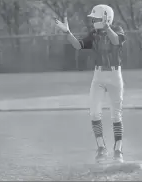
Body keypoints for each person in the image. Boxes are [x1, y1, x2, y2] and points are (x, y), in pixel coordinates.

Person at [55, 4, 126, 163]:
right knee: (94, 112)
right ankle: (101, 147)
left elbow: (115, 41)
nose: (93, 21)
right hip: (99, 75)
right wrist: (68, 32)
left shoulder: (118, 29)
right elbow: (78, 46)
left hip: (115, 75)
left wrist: (107, 28)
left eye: (95, 18)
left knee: (116, 115)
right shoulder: (94, 34)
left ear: (105, 18)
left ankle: (118, 150)